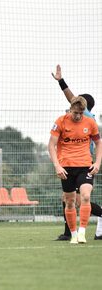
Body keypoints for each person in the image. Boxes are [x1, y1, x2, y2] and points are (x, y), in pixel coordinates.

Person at [52, 65, 102, 240]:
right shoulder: (85, 117)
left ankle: (94, 219)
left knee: (80, 200)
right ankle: (69, 233)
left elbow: (71, 98)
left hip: (80, 162)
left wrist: (61, 82)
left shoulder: (85, 115)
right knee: (67, 199)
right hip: (72, 162)